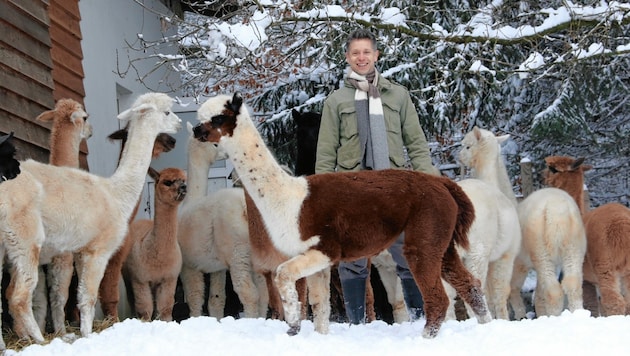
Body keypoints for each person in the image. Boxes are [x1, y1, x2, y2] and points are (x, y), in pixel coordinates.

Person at [315, 28, 440, 324]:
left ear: (376, 55)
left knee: (409, 255)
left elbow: (417, 145)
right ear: (347, 57)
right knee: (353, 262)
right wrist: (322, 197)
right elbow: (326, 151)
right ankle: (358, 325)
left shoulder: (398, 95)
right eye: (355, 53)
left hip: (394, 191)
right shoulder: (336, 101)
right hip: (352, 192)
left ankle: (419, 320)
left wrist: (430, 187)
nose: (361, 58)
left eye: (366, 52)